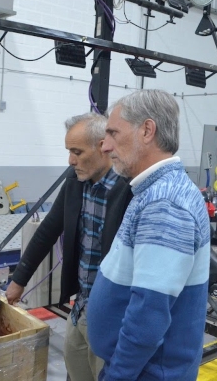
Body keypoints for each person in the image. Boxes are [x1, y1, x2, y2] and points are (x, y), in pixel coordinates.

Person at [87, 89, 210, 381]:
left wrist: (118, 375)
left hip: (147, 373)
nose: (105, 146)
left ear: (147, 130)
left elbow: (149, 314)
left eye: (113, 133)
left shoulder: (164, 203)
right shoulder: (155, 192)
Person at [6, 113, 133, 381]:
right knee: (75, 370)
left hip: (113, 313)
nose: (70, 160)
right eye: (69, 152)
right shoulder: (76, 183)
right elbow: (47, 232)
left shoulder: (128, 189)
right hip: (82, 304)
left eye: (77, 152)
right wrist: (19, 280)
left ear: (103, 147)